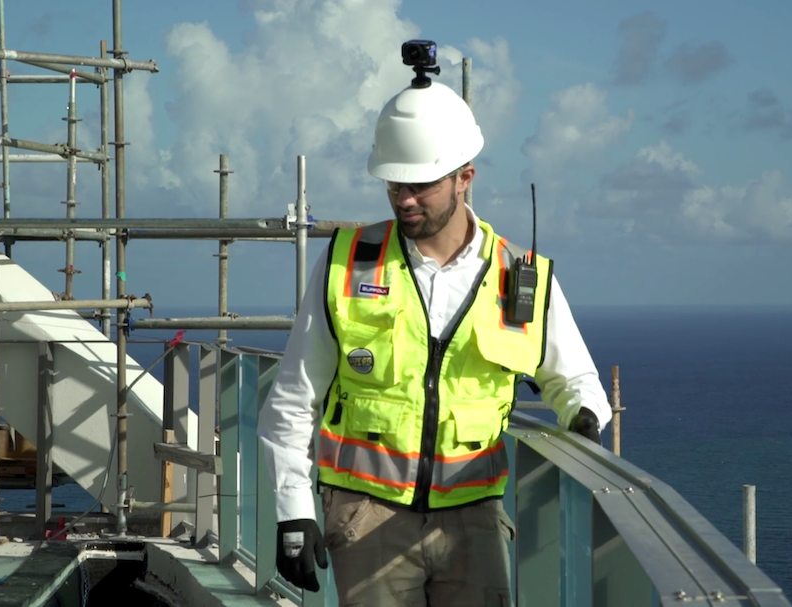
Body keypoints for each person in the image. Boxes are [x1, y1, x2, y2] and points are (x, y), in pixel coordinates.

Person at [257, 41, 611, 606]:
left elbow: (578, 383)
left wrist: (585, 418)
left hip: (474, 521)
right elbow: (294, 400)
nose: (405, 199)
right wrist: (293, 514)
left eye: (420, 185)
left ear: (464, 177)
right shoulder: (347, 263)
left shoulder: (522, 276)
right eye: (395, 185)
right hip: (365, 519)